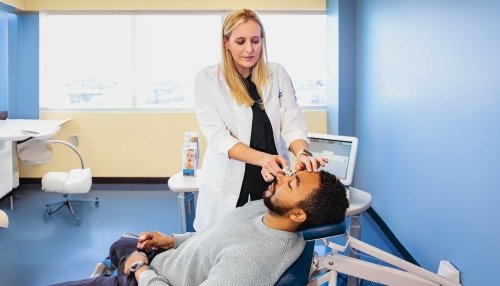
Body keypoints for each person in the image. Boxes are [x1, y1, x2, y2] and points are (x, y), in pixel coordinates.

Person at [50, 170, 349, 286]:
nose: (281, 178)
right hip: (163, 260)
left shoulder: (251, 263)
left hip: (153, 280)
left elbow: (233, 252)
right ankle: (120, 262)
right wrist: (171, 240)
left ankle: (119, 272)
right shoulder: (263, 207)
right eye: (291, 175)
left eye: (291, 184)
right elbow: (216, 237)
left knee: (126, 255)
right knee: (122, 242)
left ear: (298, 215)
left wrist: (141, 271)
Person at [194, 8, 327, 231]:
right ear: (226, 42)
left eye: (255, 40)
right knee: (220, 238)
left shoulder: (277, 73)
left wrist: (302, 153)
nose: (249, 49)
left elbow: (292, 123)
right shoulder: (207, 79)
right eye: (240, 41)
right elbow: (219, 138)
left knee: (270, 240)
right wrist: (264, 159)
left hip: (273, 177)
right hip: (231, 175)